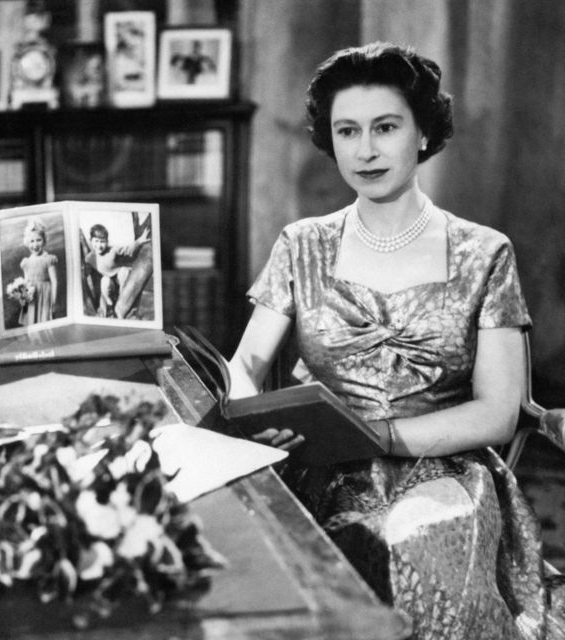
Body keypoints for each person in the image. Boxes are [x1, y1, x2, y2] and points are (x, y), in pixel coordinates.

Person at [228, 42, 562, 639]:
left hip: (447, 468)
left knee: (418, 541)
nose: (366, 150)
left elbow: (496, 412)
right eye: (347, 131)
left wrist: (383, 437)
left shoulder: (484, 253)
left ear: (424, 134)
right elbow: (247, 362)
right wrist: (254, 412)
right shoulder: (300, 245)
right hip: (323, 466)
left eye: (385, 127)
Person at [84, 222, 153, 319]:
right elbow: (86, 270)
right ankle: (110, 304)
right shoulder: (90, 258)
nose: (99, 245)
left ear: (107, 242)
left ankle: (122, 298)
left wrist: (140, 241)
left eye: (102, 241)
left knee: (123, 271)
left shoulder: (113, 250)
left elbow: (128, 250)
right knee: (105, 280)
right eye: (96, 241)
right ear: (91, 241)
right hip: (109, 282)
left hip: (120, 278)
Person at [19, 218, 58, 326]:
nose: (35, 245)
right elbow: (26, 283)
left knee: (45, 322)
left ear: (44, 241)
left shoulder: (49, 259)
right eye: (32, 241)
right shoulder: (26, 262)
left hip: (45, 295)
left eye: (38, 240)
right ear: (27, 243)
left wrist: (53, 301)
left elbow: (54, 281)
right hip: (32, 297)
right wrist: (23, 297)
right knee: (32, 322)